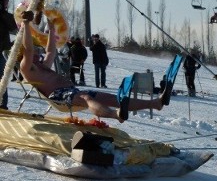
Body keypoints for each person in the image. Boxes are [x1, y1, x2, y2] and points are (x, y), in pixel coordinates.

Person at [18, 11, 172, 122]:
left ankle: (155, 103)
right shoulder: (28, 68)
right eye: (35, 53)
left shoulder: (43, 65)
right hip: (59, 97)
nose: (38, 53)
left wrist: (51, 28)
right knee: (86, 98)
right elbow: (28, 49)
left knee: (113, 98)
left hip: (72, 91)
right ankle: (115, 115)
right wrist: (25, 24)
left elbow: (51, 50)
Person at [0, 0, 18, 110]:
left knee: (3, 79)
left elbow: (14, 28)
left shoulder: (5, 15)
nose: (6, 4)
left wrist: (3, 13)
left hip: (1, 51)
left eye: (6, 1)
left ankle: (2, 105)